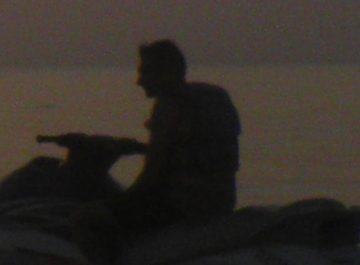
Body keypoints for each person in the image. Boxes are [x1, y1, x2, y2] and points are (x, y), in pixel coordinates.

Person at [46, 38, 243, 247]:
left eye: (146, 72)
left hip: (180, 208)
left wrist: (116, 204)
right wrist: (140, 148)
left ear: (167, 71)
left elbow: (150, 179)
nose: (139, 81)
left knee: (85, 218)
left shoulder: (169, 106)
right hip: (221, 204)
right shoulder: (215, 97)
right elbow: (193, 151)